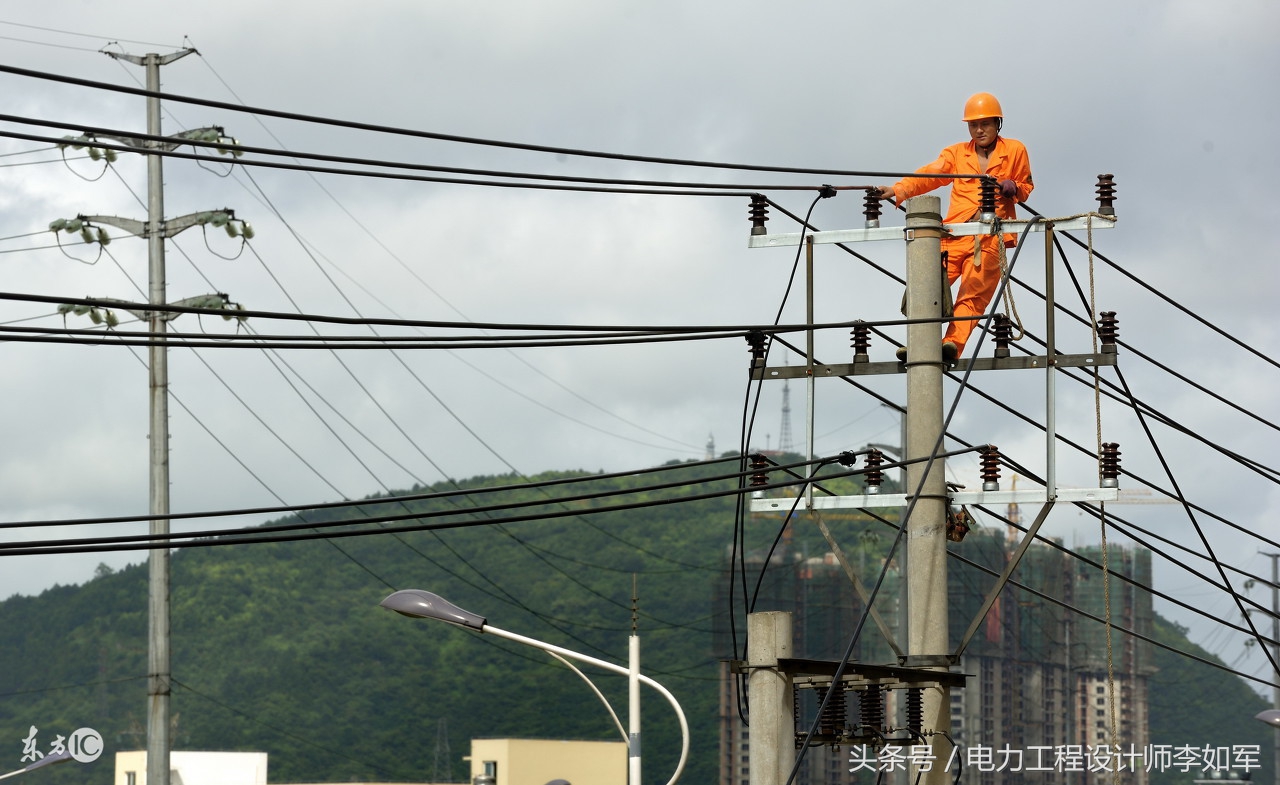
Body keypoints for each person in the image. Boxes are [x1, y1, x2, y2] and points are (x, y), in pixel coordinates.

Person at [880, 92, 1033, 362]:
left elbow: (1025, 188)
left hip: (988, 237)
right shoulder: (956, 154)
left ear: (998, 124)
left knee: (971, 296)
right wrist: (897, 189)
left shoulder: (1015, 150)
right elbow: (930, 175)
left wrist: (1014, 188)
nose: (979, 130)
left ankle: (949, 346)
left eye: (985, 123)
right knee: (924, 288)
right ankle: (918, 344)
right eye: (973, 125)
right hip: (953, 236)